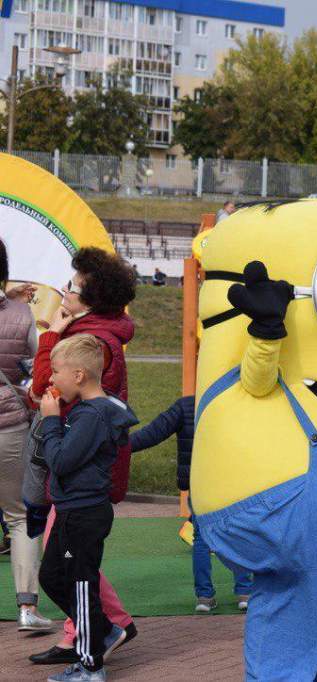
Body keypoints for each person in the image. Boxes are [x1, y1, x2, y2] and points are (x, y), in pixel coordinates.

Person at [28, 247, 138, 667]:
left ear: (91, 299)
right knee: (71, 561)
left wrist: (52, 335)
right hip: (82, 471)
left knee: (72, 563)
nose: (65, 291)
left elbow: (45, 385)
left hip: (81, 477)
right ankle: (86, 630)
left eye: (72, 287)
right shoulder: (95, 332)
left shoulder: (91, 343)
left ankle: (102, 631)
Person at [37, 334, 139, 682]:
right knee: (51, 577)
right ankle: (104, 631)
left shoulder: (91, 415)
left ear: (79, 375)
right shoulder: (90, 410)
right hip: (71, 510)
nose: (51, 380)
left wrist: (50, 420)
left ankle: (91, 666)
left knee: (82, 585)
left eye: (56, 372)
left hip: (84, 513)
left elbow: (62, 461)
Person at [128, 395, 254, 612]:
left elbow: (153, 433)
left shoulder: (186, 406)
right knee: (237, 533)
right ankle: (244, 591)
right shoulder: (233, 400)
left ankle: (204, 597)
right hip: (232, 480)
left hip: (199, 482)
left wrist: (117, 447)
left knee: (201, 540)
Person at [0, 239, 53, 633]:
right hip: (9, 427)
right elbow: (38, 367)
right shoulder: (21, 313)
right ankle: (27, 609)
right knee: (19, 516)